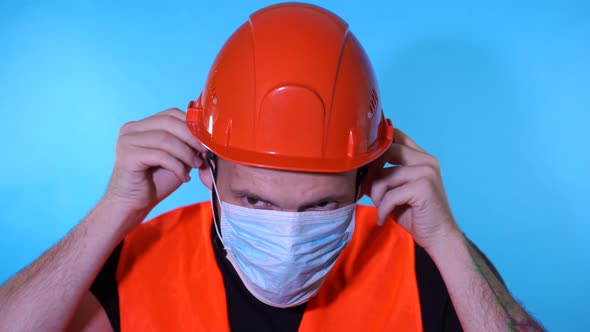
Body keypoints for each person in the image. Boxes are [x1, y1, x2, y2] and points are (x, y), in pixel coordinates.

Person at [0, 3, 543, 332]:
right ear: (206, 170)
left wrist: (447, 240)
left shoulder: (424, 267)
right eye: (256, 201)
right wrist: (112, 213)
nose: (286, 238)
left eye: (322, 205)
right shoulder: (137, 264)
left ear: (366, 179)